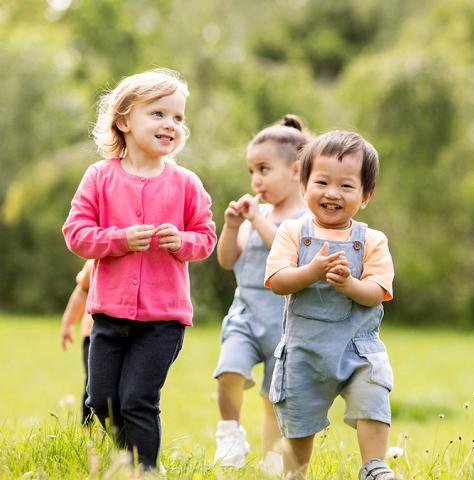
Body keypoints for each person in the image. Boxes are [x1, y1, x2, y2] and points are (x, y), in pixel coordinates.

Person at [62, 68, 216, 472]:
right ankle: (123, 460)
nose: (171, 125)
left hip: (163, 318)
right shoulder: (99, 177)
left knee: (138, 400)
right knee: (101, 400)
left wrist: (181, 242)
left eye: (178, 118)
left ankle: (144, 469)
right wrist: (119, 239)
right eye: (159, 114)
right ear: (125, 120)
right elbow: (76, 234)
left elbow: (206, 238)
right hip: (108, 313)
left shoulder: (186, 184)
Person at [266, 131, 395, 480]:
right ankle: (297, 473)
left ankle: (373, 465)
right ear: (304, 184)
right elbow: (278, 281)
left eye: (347, 186)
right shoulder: (292, 232)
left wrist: (349, 284)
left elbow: (378, 291)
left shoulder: (372, 240)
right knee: (298, 415)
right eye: (321, 181)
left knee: (372, 393)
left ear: (366, 195)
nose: (332, 193)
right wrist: (311, 272)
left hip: (358, 347)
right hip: (305, 348)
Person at [213, 115, 310, 472]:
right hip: (245, 312)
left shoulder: (305, 219)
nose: (256, 180)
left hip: (283, 322)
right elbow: (227, 261)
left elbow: (288, 252)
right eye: (252, 171)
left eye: (264, 169)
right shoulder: (260, 213)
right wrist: (233, 225)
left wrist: (257, 221)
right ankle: (229, 432)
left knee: (273, 399)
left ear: (296, 171)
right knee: (228, 372)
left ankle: (272, 460)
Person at [60, 259, 94, 426]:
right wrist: (67, 322)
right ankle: (87, 430)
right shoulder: (98, 258)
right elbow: (82, 291)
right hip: (93, 334)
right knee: (93, 383)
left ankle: (118, 436)